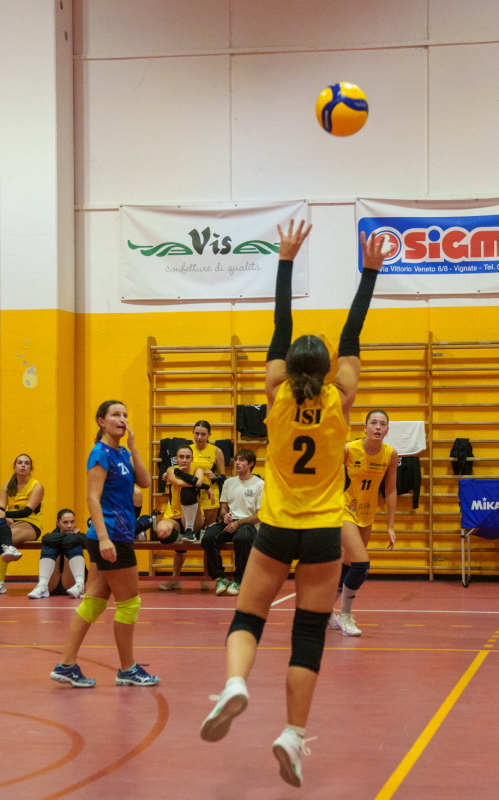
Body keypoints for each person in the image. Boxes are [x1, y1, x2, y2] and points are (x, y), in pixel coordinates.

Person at [200, 221, 388, 788]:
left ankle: (235, 683)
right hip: (325, 528)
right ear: (329, 370)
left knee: (248, 615)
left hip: (277, 525)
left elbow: (279, 328)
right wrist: (369, 273)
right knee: (308, 632)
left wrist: (285, 260)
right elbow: (353, 333)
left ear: (286, 368)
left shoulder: (276, 394)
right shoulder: (342, 398)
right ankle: (292, 733)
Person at [50, 400, 159, 688]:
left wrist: (134, 447)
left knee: (94, 601)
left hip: (118, 534)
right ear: (101, 421)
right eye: (115, 415)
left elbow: (145, 482)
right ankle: (128, 669)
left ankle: (66, 665)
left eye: (125, 415)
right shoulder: (99, 453)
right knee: (129, 603)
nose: (122, 419)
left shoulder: (121, 452)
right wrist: (103, 538)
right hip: (111, 535)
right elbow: (92, 498)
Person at [330, 409, 398, 636]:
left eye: (382, 424)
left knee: (348, 564)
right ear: (365, 427)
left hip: (367, 513)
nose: (378, 427)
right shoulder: (349, 449)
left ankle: (323, 609)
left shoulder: (390, 454)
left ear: (387, 430)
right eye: (373, 423)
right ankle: (345, 615)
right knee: (361, 564)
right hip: (344, 510)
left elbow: (390, 490)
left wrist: (390, 525)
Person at [201, 449, 265, 596]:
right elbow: (223, 509)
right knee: (208, 537)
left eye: (242, 460)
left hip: (248, 524)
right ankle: (219, 578)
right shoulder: (229, 482)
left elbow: (260, 515)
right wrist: (226, 516)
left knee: (242, 538)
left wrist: (238, 523)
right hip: (230, 522)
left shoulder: (259, 484)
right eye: (236, 459)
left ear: (251, 464)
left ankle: (238, 580)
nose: (237, 463)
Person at [154, 445, 214, 591]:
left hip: (194, 518)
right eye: (181, 457)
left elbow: (197, 482)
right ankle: (175, 579)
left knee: (187, 491)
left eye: (188, 457)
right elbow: (180, 483)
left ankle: (189, 531)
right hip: (175, 516)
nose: (184, 460)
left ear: (192, 459)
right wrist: (205, 486)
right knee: (162, 531)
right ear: (176, 458)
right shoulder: (170, 469)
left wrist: (200, 484)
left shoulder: (197, 469)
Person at [0, 454, 44, 595]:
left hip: (31, 523)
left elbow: (27, 511)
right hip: (12, 522)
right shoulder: (7, 485)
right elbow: (1, 506)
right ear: (14, 467)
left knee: (1, 539)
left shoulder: (36, 486)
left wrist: (4, 514)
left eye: (27, 463)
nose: (23, 465)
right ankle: (10, 548)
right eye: (20, 463)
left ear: (31, 468)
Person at [28, 509, 87, 600]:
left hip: (70, 583)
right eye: (65, 522)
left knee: (74, 545)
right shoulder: (52, 536)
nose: (69, 526)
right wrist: (69, 536)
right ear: (58, 523)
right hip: (52, 584)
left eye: (72, 522)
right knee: (50, 546)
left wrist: (74, 537)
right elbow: (46, 539)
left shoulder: (80, 536)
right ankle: (42, 586)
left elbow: (86, 539)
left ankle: (79, 584)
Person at [190, 420, 227, 527]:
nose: (199, 437)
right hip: (191, 494)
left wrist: (215, 477)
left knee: (207, 529)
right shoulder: (187, 449)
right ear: (193, 433)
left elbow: (223, 477)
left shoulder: (216, 451)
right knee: (192, 529)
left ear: (209, 435)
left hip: (209, 495)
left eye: (203, 434)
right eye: (197, 434)